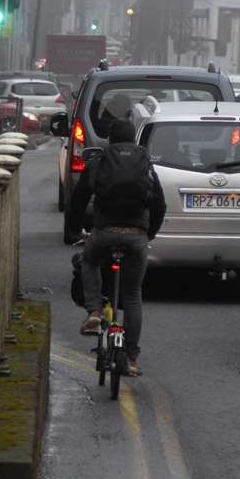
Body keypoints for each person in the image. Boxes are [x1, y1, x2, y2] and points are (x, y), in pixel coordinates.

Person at [68, 118, 165, 375]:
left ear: (110, 139)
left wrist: (73, 231)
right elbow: (159, 205)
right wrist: (148, 233)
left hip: (104, 233)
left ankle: (95, 311)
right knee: (132, 294)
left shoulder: (99, 161)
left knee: (88, 262)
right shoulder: (146, 165)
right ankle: (131, 357)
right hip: (136, 237)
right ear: (134, 139)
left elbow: (78, 199)